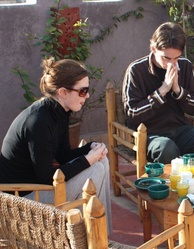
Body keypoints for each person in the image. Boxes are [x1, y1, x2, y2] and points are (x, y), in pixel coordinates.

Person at [0, 57, 112, 233]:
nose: (88, 95)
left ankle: (103, 236)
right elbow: (47, 177)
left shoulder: (59, 112)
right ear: (63, 92)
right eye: (82, 91)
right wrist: (88, 160)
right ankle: (88, 239)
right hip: (22, 200)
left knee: (102, 161)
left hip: (38, 189)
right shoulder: (38, 121)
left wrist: (90, 148)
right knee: (95, 169)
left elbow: (63, 155)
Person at [122, 22, 194, 164]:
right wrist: (162, 91)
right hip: (149, 134)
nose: (171, 63)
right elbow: (133, 113)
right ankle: (171, 186)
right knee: (167, 148)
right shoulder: (136, 70)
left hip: (180, 129)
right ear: (153, 49)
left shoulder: (185, 65)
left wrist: (177, 90)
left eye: (176, 58)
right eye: (166, 58)